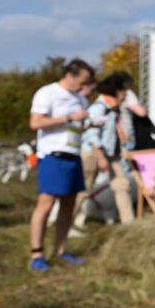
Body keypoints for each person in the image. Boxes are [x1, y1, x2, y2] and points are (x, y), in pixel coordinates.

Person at [28, 59, 96, 271]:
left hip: (73, 155)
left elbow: (78, 125)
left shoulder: (80, 99)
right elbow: (35, 122)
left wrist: (88, 123)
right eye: (82, 80)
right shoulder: (47, 93)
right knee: (46, 204)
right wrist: (68, 117)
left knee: (69, 204)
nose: (84, 86)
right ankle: (37, 253)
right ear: (70, 74)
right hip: (52, 155)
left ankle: (61, 249)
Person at [75, 76, 135, 227]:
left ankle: (129, 223)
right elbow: (91, 134)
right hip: (94, 154)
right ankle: (67, 224)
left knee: (122, 185)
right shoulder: (99, 108)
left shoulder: (114, 109)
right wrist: (100, 157)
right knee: (83, 190)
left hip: (111, 154)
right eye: (124, 90)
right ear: (115, 90)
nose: (126, 94)